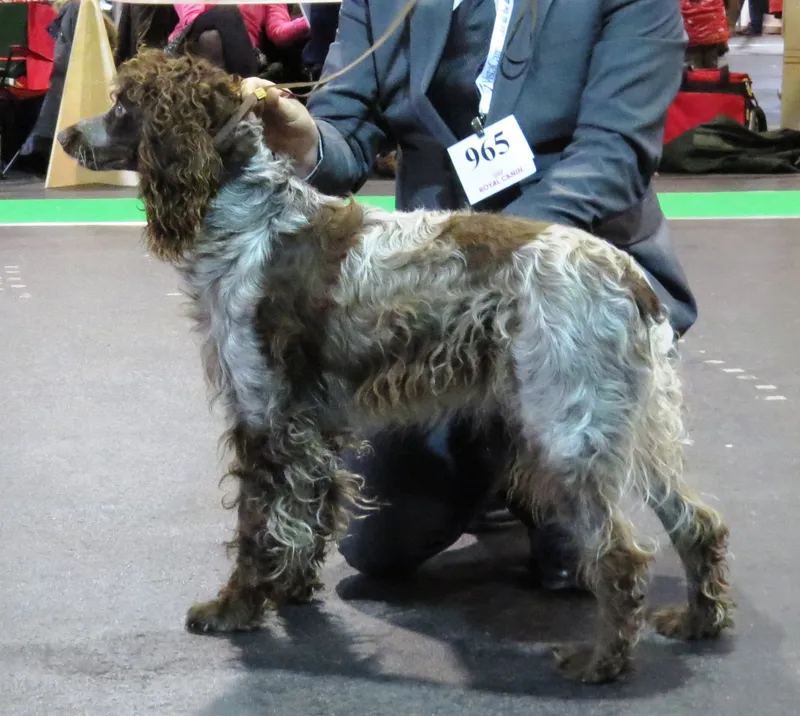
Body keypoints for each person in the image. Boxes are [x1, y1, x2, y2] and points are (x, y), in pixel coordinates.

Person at [241, 0, 697, 590]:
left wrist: (486, 264)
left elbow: (612, 157)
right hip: (436, 301)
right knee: (378, 544)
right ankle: (501, 465)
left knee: (578, 539)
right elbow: (346, 132)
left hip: (572, 279)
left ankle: (533, 475)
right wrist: (307, 141)